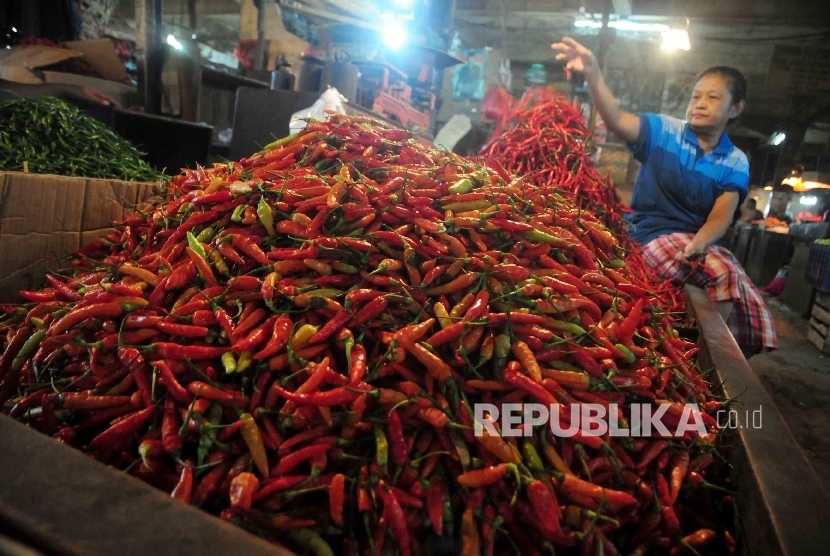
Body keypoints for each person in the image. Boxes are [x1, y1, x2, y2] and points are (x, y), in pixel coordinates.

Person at [552, 37, 776, 355]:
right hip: (650, 236)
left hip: (695, 242)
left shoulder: (735, 160)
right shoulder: (664, 131)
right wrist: (592, 73)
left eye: (713, 98)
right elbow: (615, 119)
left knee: (749, 300)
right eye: (696, 96)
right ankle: (708, 360)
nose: (699, 103)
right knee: (723, 273)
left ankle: (724, 358)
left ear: (735, 108)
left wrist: (698, 243)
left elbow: (720, 216)